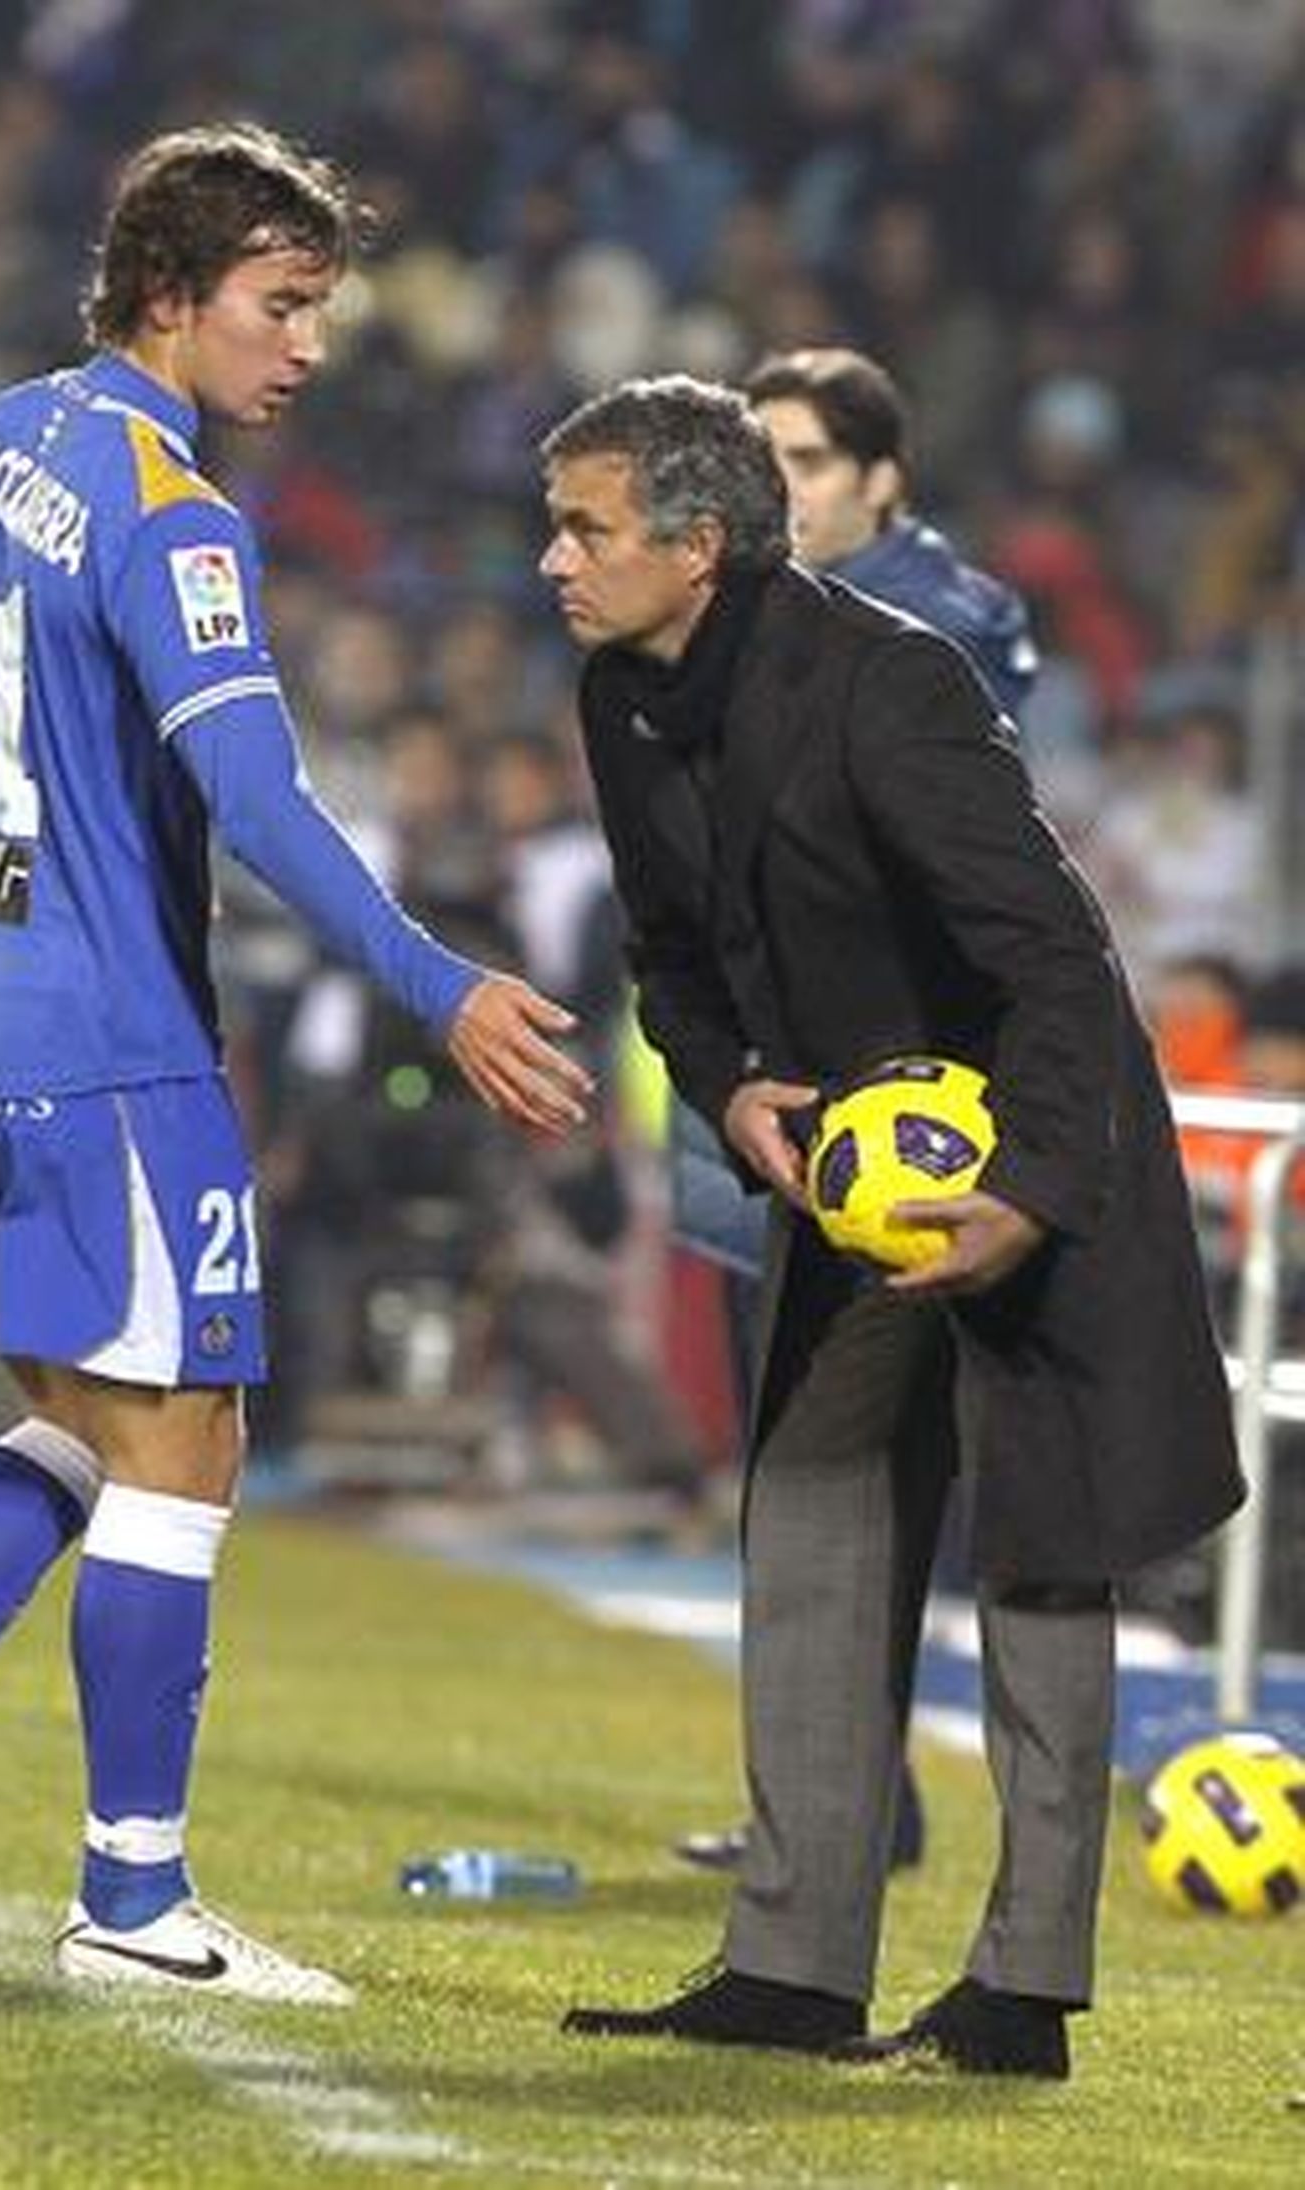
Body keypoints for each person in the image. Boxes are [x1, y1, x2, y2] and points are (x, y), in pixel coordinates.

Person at [0, 121, 591, 2005]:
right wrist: (435, 983)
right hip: (111, 1040)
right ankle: (134, 1902)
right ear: (168, 296)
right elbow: (257, 797)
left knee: (83, 1410)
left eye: (323, 309)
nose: (308, 346)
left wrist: (27, 828)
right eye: (280, 306)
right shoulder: (169, 506)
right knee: (190, 1434)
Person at [538, 374, 1241, 2076]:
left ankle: (1023, 1993)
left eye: (584, 527)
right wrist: (734, 1092)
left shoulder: (890, 686)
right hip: (849, 1169)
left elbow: (1063, 968)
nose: (552, 561)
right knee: (813, 1516)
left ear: (698, 545)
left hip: (1036, 1159)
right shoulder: (620, 697)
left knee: (1043, 1557)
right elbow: (671, 958)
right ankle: (793, 1965)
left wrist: (1023, 1199)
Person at [670, 344, 1038, 1877]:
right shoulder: (769, 618)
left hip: (899, 1109)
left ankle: (844, 1810)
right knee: (811, 1470)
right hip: (792, 1095)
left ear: (884, 480)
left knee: (861, 1474)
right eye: (763, 463)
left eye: (808, 463)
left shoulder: (930, 619)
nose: (782, 492)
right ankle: (839, 1801)